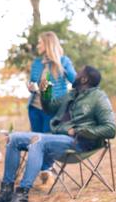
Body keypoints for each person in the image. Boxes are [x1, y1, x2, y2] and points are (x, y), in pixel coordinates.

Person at [0, 66, 116, 202]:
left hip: (79, 142)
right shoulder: (71, 94)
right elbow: (50, 109)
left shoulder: (99, 98)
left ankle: (22, 194)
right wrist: (45, 93)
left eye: (78, 72)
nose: (75, 75)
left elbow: (110, 128)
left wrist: (80, 130)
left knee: (38, 140)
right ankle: (6, 192)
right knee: (13, 138)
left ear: (84, 79)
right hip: (58, 137)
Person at [27, 31, 77, 183]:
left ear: (48, 44)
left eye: (40, 43)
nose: (38, 45)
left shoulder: (63, 61)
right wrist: (30, 86)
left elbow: (75, 80)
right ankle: (44, 171)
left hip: (54, 109)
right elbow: (33, 82)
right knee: (37, 140)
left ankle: (46, 170)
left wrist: (60, 64)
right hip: (35, 108)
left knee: (48, 140)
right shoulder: (36, 62)